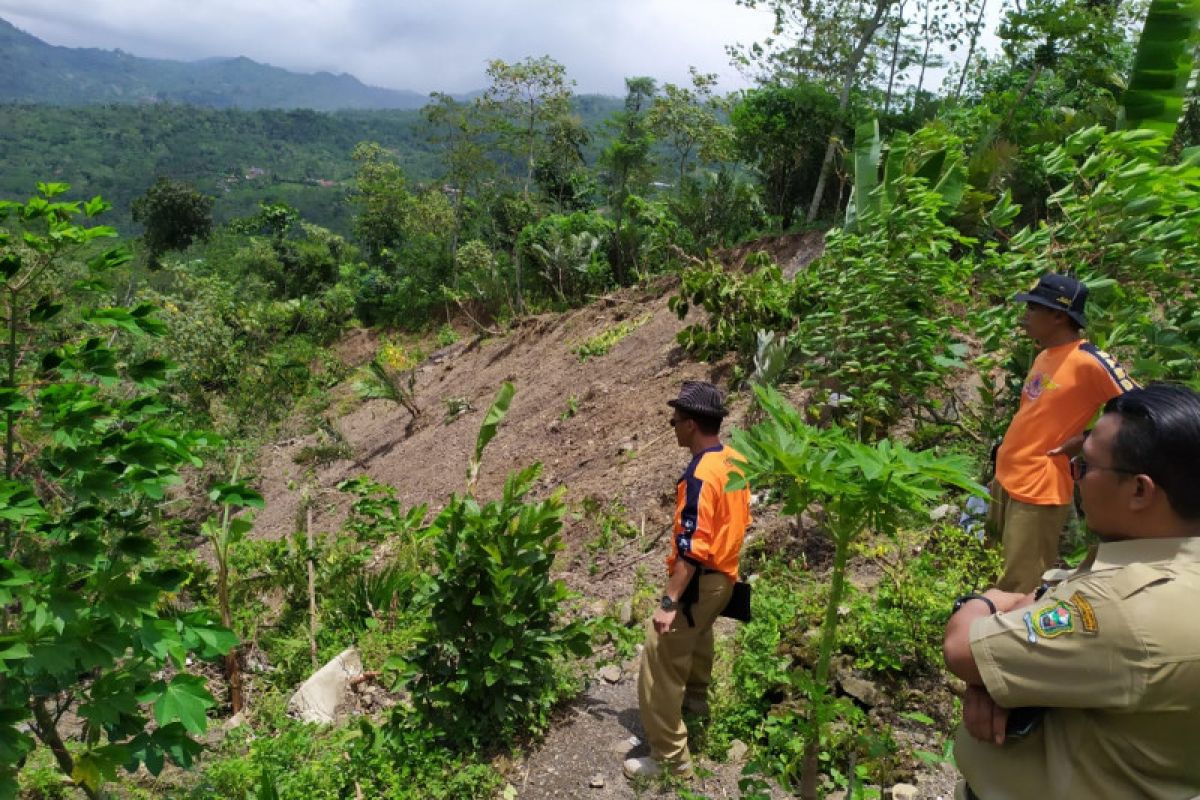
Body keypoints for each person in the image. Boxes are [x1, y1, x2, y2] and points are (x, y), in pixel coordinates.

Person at [944, 384, 1200, 799]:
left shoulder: (1119, 608)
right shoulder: (1162, 575)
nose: (1075, 477)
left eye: (1083, 467)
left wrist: (982, 602)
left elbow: (962, 648)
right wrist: (1001, 676)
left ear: (1140, 490)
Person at [623, 381, 751, 780]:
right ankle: (696, 706)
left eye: (675, 419)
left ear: (692, 424)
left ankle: (670, 761)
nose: (672, 425)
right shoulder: (735, 460)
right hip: (726, 577)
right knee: (698, 642)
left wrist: (668, 603)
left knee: (660, 658)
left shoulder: (699, 474)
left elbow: (692, 548)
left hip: (700, 579)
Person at [989, 272, 1136, 592]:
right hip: (1008, 474)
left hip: (1040, 485)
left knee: (1019, 585)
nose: (1025, 315)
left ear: (1058, 315)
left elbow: (1141, 409)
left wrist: (1087, 440)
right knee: (992, 568)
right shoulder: (1044, 355)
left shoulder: (1090, 361)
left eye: (1033, 308)